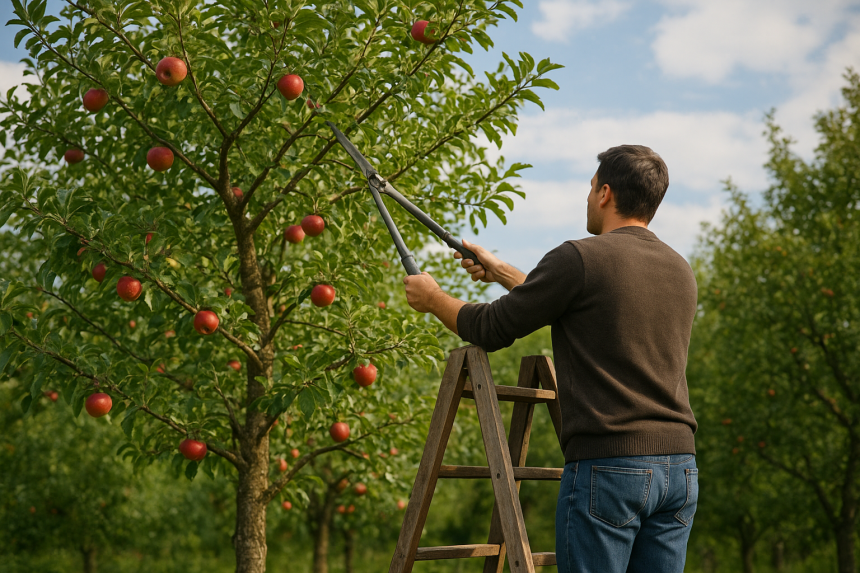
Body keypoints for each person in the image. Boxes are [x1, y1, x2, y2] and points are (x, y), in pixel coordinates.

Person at [403, 145, 699, 572]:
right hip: (680, 470)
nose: (588, 195)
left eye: (591, 186)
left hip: (611, 467)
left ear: (605, 193)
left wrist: (433, 299)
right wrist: (502, 271)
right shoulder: (679, 269)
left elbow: (490, 328)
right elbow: (581, 307)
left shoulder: (580, 257)